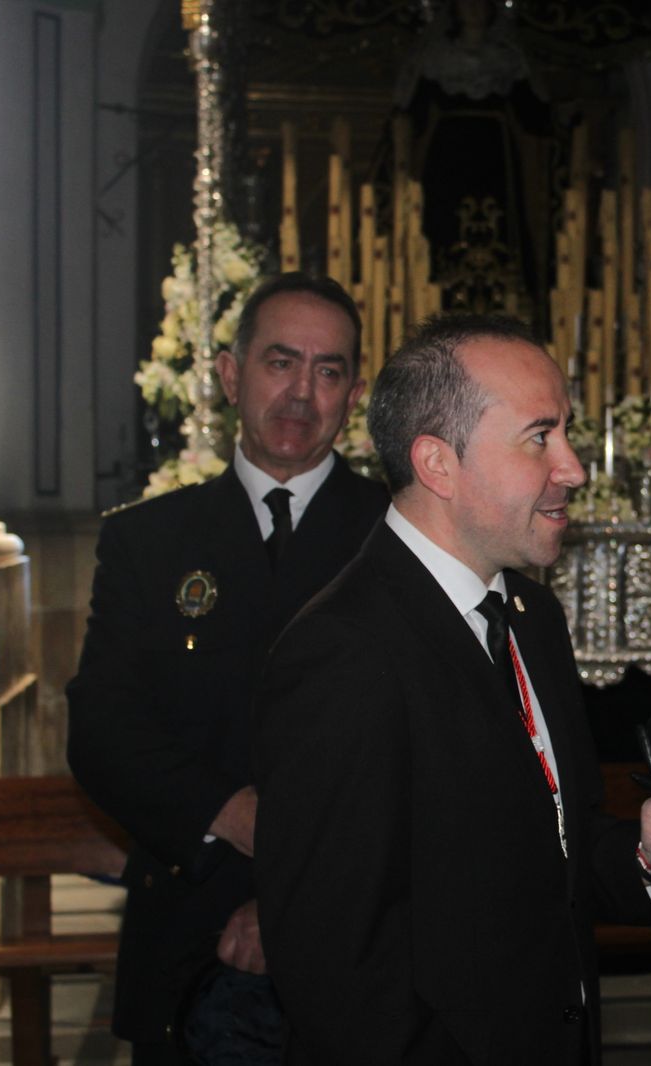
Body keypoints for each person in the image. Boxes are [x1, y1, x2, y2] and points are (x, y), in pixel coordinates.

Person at [251, 313, 651, 1065]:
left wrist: (640, 850)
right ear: (439, 464)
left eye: (566, 434)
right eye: (539, 437)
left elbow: (552, 843)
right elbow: (337, 969)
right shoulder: (343, 652)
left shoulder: (529, 617)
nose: (573, 467)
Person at [67, 273, 389, 1063]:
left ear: (353, 395)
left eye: (329, 370)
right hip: (188, 929)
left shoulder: (403, 539)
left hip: (363, 938)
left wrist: (291, 895)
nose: (302, 393)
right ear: (229, 373)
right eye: (281, 362)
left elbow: (425, 748)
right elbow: (105, 732)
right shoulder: (147, 544)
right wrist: (227, 811)